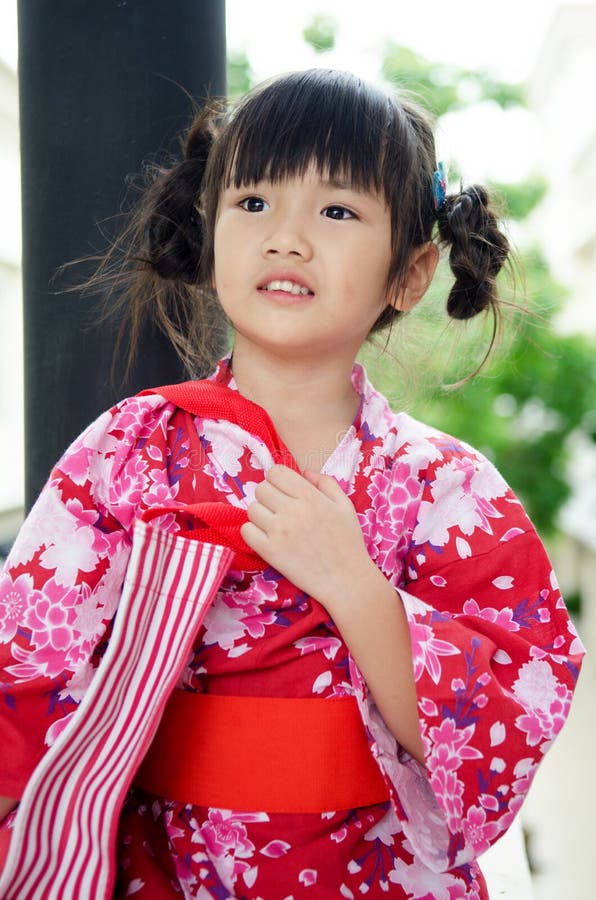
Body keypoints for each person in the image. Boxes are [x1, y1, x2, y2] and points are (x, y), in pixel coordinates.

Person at [0, 69, 584, 899]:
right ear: (208, 235)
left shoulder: (451, 491)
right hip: (167, 869)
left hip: (377, 875)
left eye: (338, 211)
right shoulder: (131, 451)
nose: (287, 238)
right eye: (254, 203)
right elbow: (30, 667)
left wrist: (354, 585)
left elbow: (510, 714)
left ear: (410, 274)